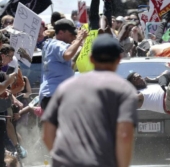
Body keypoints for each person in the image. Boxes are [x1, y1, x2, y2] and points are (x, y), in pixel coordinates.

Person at [42, 34, 138, 167]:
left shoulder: (66, 87)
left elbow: (47, 133)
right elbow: (125, 134)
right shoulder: (124, 90)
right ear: (119, 59)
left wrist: (62, 159)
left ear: (91, 59)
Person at [39, 18, 88, 111]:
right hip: (55, 94)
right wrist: (79, 38)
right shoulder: (57, 44)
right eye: (71, 35)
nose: (73, 37)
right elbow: (67, 55)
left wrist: (80, 46)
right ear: (61, 33)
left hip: (52, 94)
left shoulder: (50, 44)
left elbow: (70, 64)